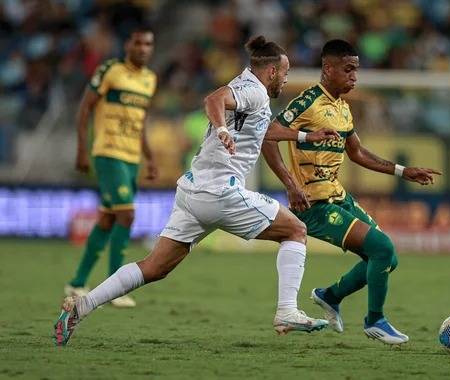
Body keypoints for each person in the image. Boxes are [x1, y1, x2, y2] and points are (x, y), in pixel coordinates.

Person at [54, 35, 340, 346]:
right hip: (221, 193)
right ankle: (287, 310)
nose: (285, 80)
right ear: (272, 71)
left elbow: (265, 128)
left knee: (155, 267)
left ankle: (81, 307)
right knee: (295, 230)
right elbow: (213, 100)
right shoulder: (253, 91)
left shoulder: (249, 89)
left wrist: (305, 138)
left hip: (193, 191)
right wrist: (220, 129)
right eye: (284, 74)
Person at [262, 39, 441, 345]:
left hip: (339, 196)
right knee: (382, 248)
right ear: (328, 68)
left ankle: (330, 296)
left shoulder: (343, 109)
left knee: (388, 258)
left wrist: (402, 170)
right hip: (313, 204)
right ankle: (375, 321)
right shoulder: (308, 102)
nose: (354, 77)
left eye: (356, 70)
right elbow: (269, 135)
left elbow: (356, 152)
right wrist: (291, 185)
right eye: (348, 69)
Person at [66, 24, 158, 308]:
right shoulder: (110, 70)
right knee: (127, 215)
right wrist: (82, 149)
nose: (143, 49)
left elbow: (140, 122)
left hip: (131, 158)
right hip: (107, 153)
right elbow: (85, 108)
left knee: (108, 219)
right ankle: (114, 289)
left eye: (148, 44)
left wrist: (149, 156)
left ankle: (78, 283)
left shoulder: (150, 79)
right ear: (128, 44)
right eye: (138, 43)